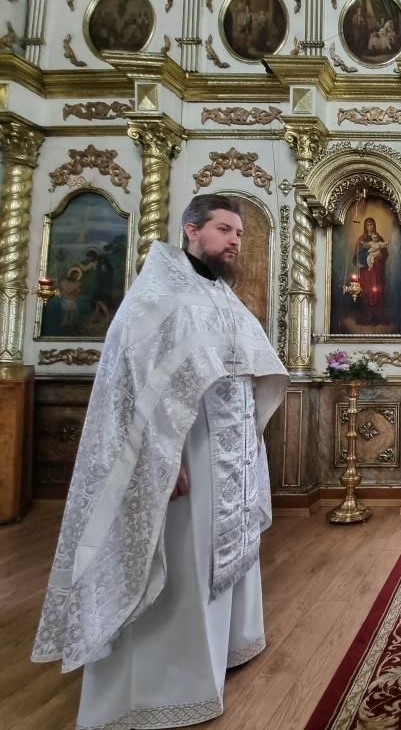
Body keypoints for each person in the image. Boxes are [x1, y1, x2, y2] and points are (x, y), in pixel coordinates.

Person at [32, 194, 289, 729]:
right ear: (191, 230)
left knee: (223, 554)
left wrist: (250, 434)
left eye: (239, 233)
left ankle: (228, 645)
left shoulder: (218, 292)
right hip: (184, 451)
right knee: (186, 560)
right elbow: (134, 386)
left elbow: (246, 366)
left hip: (229, 452)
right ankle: (169, 685)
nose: (235, 241)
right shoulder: (158, 294)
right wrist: (161, 458)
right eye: (224, 230)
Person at [353, 216, 389, 326]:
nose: (370, 227)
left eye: (371, 224)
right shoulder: (361, 239)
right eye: (368, 225)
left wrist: (379, 255)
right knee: (367, 292)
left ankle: (377, 317)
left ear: (374, 225)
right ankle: (367, 317)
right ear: (365, 226)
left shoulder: (379, 238)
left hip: (377, 271)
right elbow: (356, 256)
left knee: (377, 292)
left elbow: (385, 253)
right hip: (366, 272)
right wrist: (363, 258)